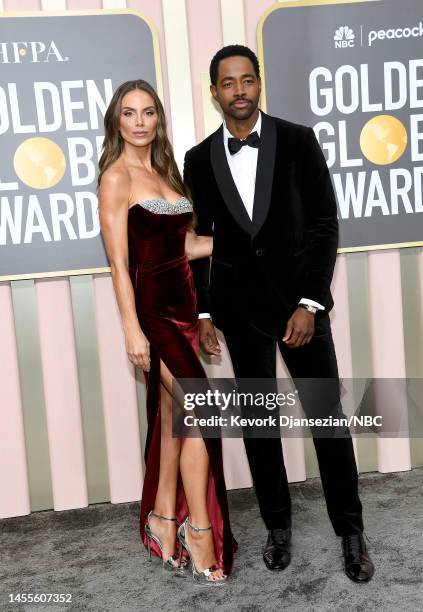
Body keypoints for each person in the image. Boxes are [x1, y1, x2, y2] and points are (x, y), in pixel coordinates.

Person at [183, 45, 375, 583]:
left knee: (328, 420)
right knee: (259, 425)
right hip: (238, 312)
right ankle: (277, 526)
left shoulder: (297, 139)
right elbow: (202, 241)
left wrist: (311, 302)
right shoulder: (198, 160)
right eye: (228, 82)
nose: (239, 90)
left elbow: (324, 224)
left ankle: (351, 532)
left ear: (259, 83)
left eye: (247, 80)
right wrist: (202, 312)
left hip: (300, 308)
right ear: (214, 90)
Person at [97, 79, 237, 585]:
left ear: (158, 119)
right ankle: (199, 529)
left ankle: (162, 518)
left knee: (177, 420)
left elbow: (187, 246)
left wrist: (242, 240)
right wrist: (132, 329)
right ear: (117, 120)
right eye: (130, 113)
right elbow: (118, 264)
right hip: (153, 315)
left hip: (183, 307)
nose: (139, 122)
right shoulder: (116, 178)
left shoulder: (164, 173)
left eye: (148, 112)